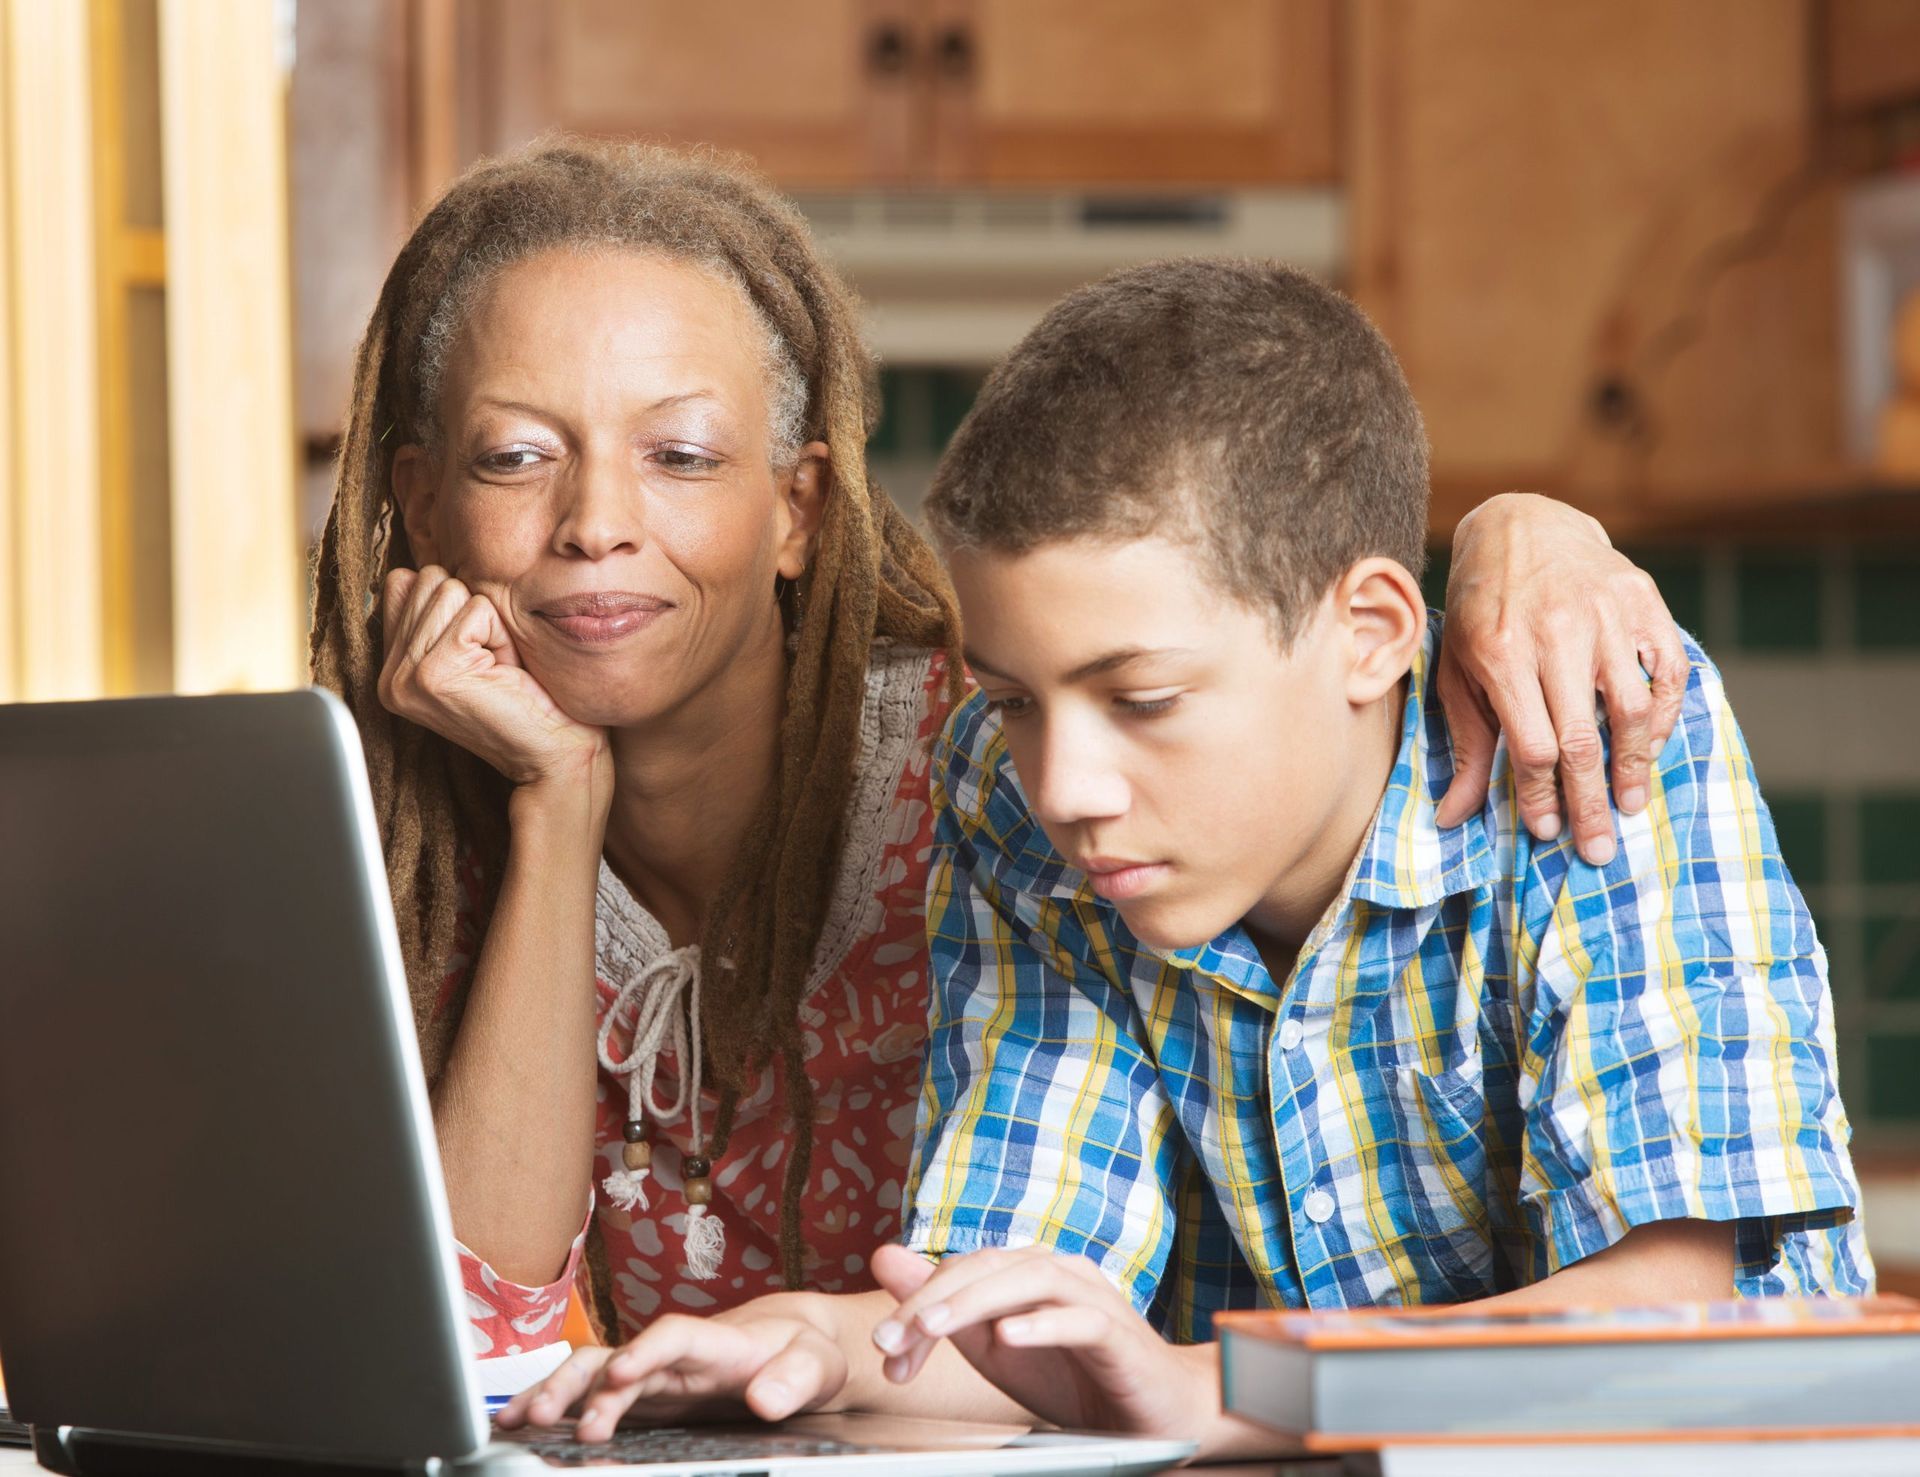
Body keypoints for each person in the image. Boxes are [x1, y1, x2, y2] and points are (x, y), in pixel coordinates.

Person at [309, 135, 1687, 1401]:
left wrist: (1528, 523)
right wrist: (559, 803)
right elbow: (493, 1345)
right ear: (421, 500)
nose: (596, 522)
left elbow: (1699, 1323)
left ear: (797, 506)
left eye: (678, 453)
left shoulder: (1016, 768)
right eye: (514, 456)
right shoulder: (415, 833)